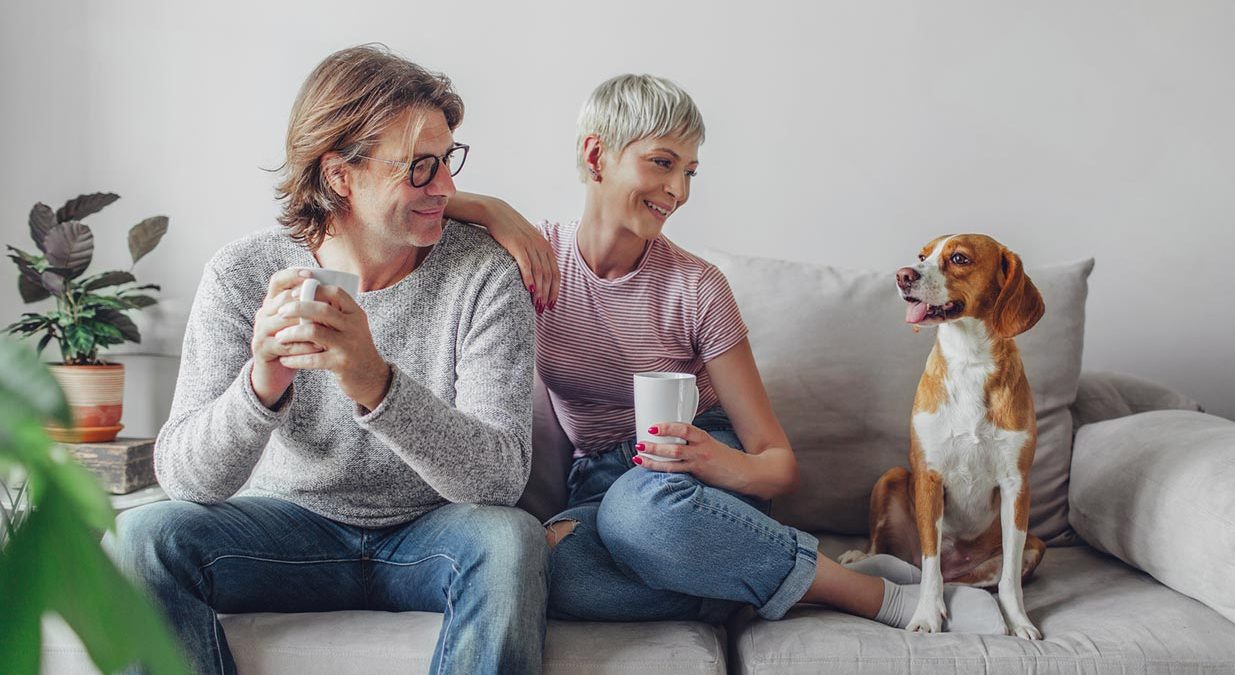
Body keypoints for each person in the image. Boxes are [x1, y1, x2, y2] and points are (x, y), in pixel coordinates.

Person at [451, 74, 1008, 632]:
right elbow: (413, 207)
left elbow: (777, 465)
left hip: (703, 476)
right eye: (663, 163)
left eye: (689, 172)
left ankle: (865, 593)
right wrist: (493, 209)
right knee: (540, 568)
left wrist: (716, 462)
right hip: (598, 482)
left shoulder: (697, 285)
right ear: (597, 154)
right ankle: (749, 580)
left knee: (639, 513)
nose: (680, 191)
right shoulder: (532, 259)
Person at [110, 45, 548, 675]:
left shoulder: (483, 275)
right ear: (341, 174)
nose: (448, 189)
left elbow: (500, 480)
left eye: (448, 160)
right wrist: (261, 387)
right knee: (141, 539)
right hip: (285, 529)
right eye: (420, 169)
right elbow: (183, 478)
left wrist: (375, 383)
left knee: (510, 542)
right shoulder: (244, 273)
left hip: (432, 534)